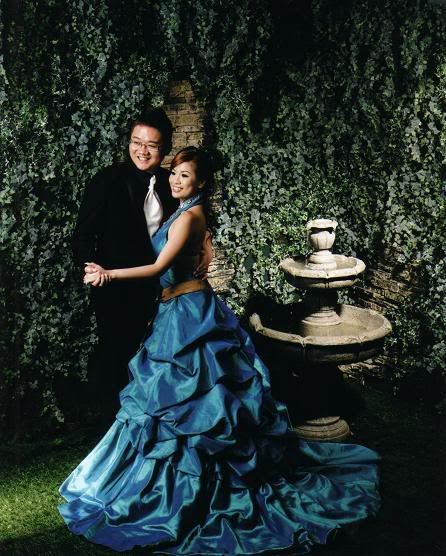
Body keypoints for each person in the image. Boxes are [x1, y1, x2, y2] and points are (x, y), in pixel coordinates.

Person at [59, 147, 380, 554]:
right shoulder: (188, 212)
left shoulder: (189, 216)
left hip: (190, 316)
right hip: (179, 309)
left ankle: (199, 488)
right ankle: (168, 480)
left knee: (197, 401)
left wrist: (108, 274)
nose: (175, 180)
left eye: (185, 176)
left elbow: (158, 269)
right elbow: (197, 248)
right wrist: (203, 250)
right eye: (174, 173)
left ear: (201, 183)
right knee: (171, 401)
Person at [72, 109, 210, 423]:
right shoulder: (106, 181)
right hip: (115, 289)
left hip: (161, 291)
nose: (142, 151)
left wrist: (206, 245)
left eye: (152, 145)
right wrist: (91, 269)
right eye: (137, 142)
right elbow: (82, 237)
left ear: (165, 148)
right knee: (118, 357)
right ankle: (115, 427)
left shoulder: (171, 182)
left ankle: (153, 425)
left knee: (157, 362)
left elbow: (193, 215)